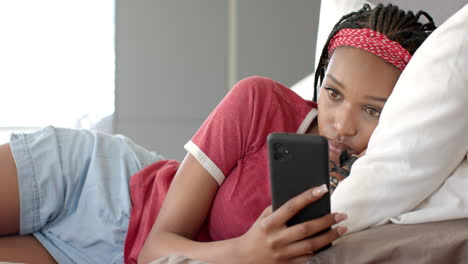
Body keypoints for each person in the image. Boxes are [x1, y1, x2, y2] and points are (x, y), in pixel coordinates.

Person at [0, 3, 436, 264]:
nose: (341, 124)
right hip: (96, 184)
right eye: (333, 94)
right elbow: (158, 247)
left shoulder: (381, 186)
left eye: (372, 110)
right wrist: (246, 253)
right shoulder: (261, 102)